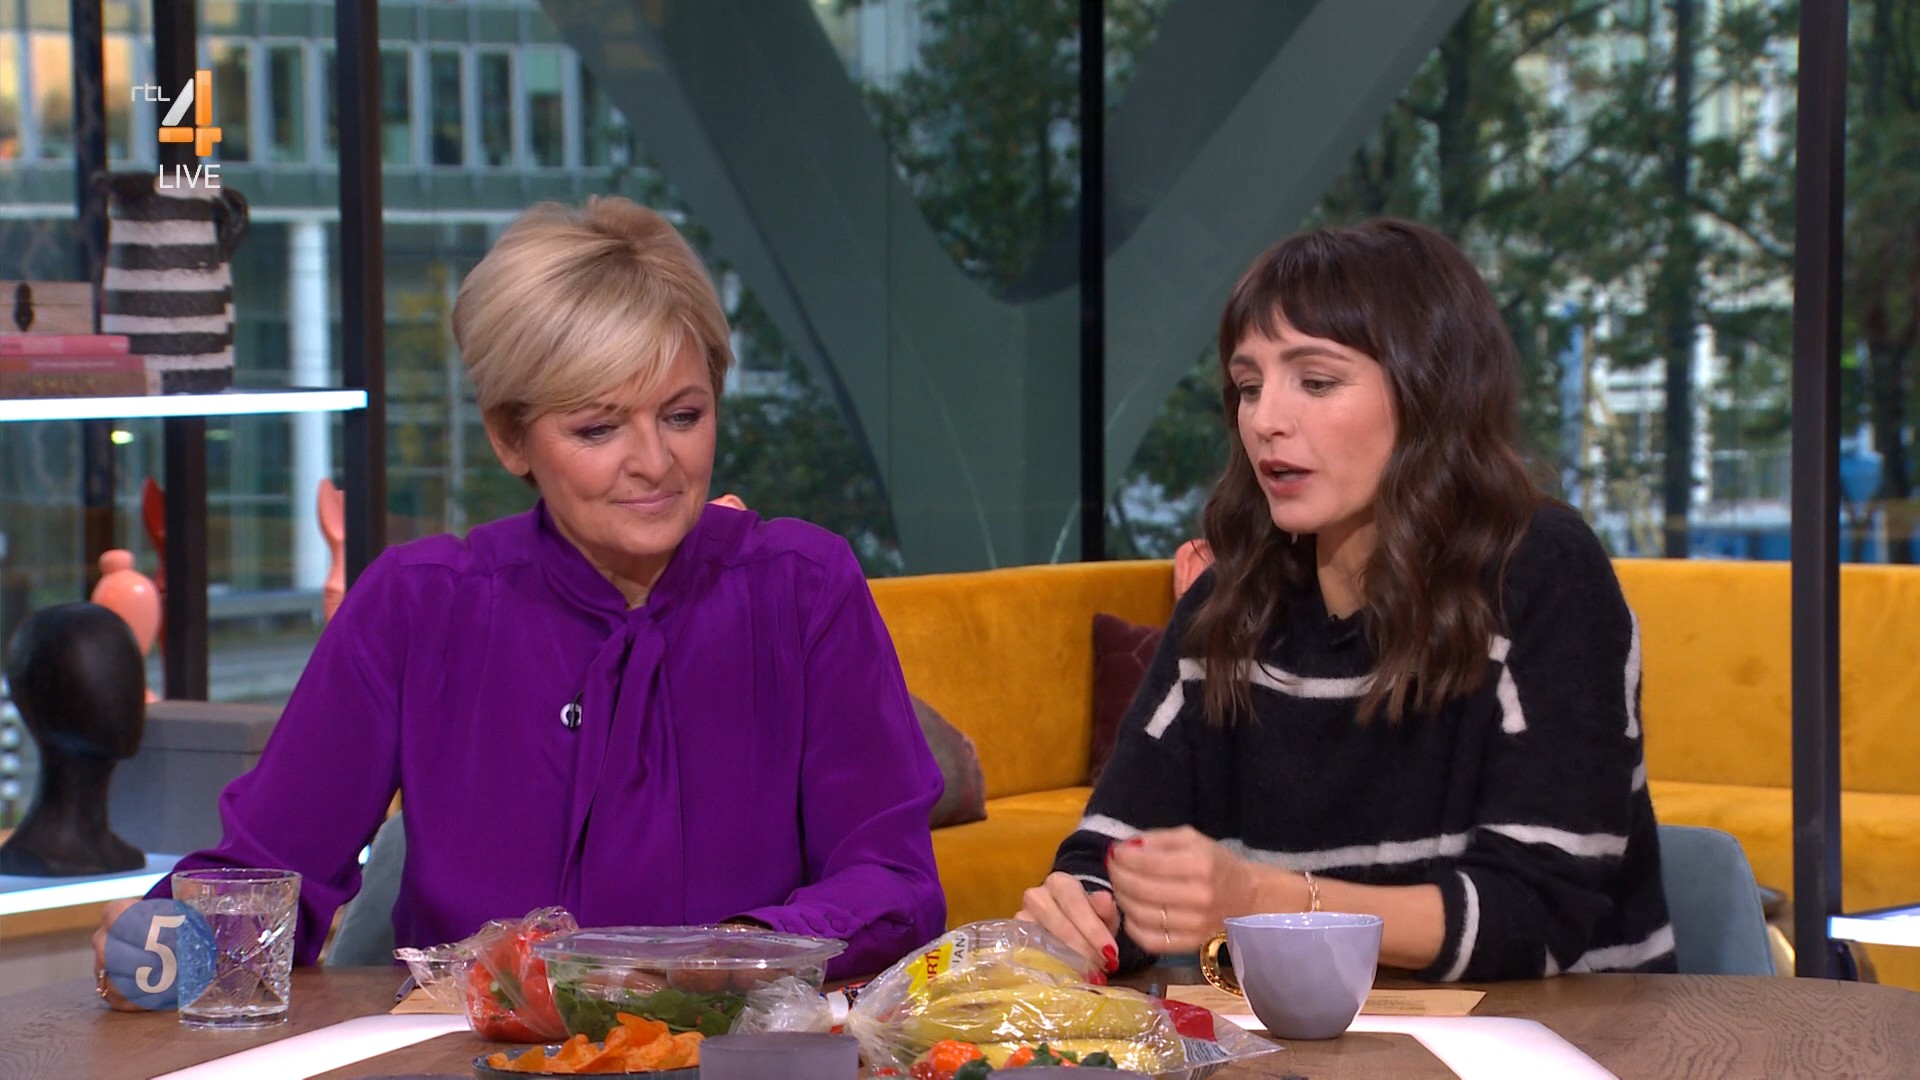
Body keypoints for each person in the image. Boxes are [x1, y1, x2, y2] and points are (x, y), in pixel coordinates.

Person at [93, 196, 946, 1004]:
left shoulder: (803, 587)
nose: (656, 463)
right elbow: (270, 868)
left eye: (683, 416)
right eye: (598, 428)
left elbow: (894, 884)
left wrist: (727, 961)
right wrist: (167, 942)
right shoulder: (418, 605)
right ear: (511, 438)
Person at [1019, 218, 1673, 983]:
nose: (1266, 421)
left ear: (1429, 393)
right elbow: (1110, 852)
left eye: (1317, 382)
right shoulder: (1229, 607)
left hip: (1565, 1031)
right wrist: (1089, 908)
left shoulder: (1542, 571)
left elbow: (1538, 912)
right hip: (1307, 1038)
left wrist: (1263, 899)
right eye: (1248, 387)